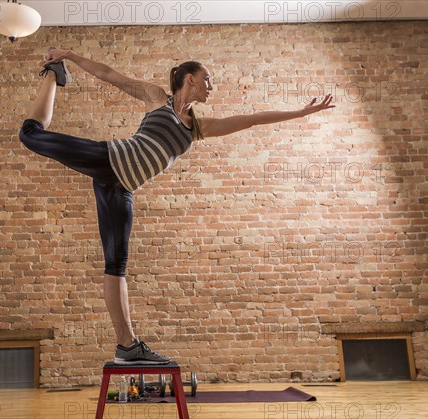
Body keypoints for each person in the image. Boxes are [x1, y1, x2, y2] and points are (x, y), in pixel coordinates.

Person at [19, 48, 335, 365]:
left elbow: (251, 121)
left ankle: (127, 345)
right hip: (110, 158)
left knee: (116, 266)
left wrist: (298, 114)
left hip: (121, 187)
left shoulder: (198, 127)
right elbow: (109, 74)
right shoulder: (157, 98)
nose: (211, 86)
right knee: (30, 135)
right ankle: (54, 75)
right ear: (190, 78)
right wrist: (70, 55)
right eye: (207, 79)